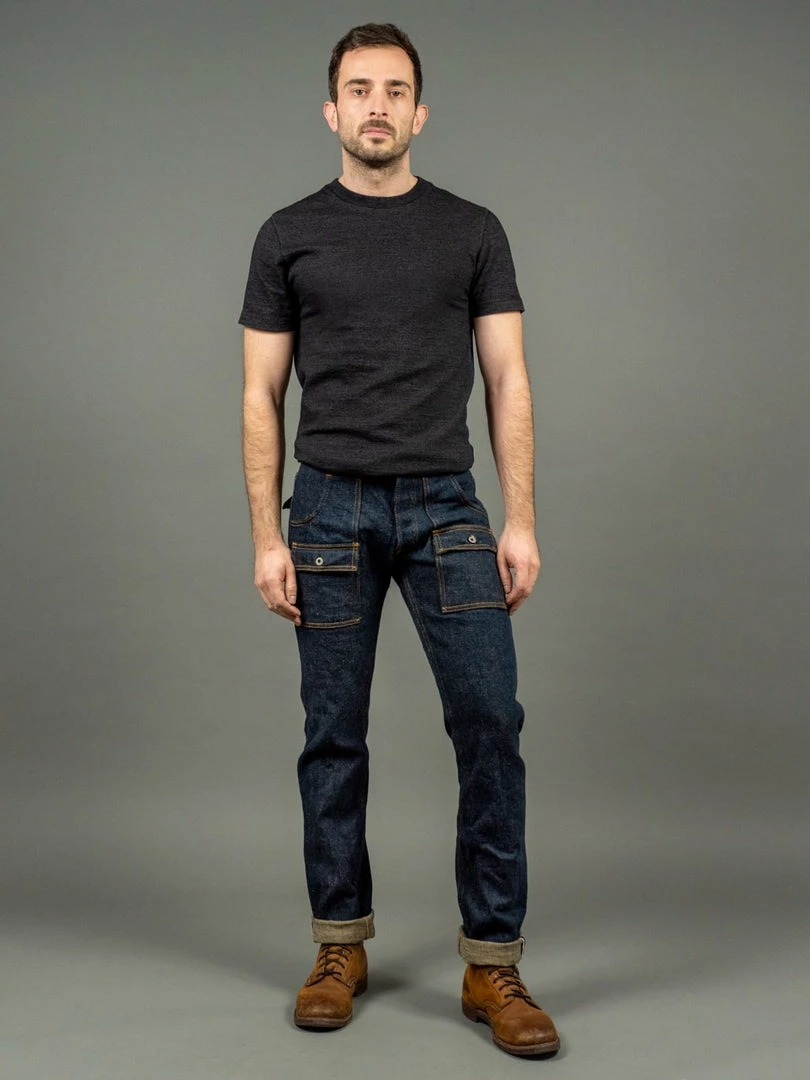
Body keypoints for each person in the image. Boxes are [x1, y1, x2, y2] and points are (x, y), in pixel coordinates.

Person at [238, 22, 560, 1058]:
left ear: (420, 111)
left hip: (445, 509)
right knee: (332, 737)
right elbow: (260, 393)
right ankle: (339, 946)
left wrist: (520, 518)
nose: (376, 105)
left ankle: (492, 963)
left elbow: (508, 379)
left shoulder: (472, 230)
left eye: (394, 89)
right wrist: (267, 535)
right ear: (331, 110)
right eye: (358, 88)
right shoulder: (287, 233)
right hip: (327, 510)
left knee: (491, 723)